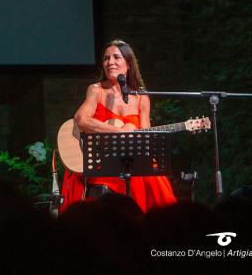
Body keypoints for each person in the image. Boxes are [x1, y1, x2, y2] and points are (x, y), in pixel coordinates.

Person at [59, 39, 177, 213]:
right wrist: (120, 131)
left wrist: (142, 140)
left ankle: (156, 225)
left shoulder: (142, 97)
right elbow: (81, 119)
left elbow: (147, 138)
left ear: (128, 63)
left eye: (116, 57)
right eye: (106, 58)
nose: (110, 62)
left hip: (128, 160)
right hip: (99, 162)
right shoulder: (96, 90)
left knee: (154, 176)